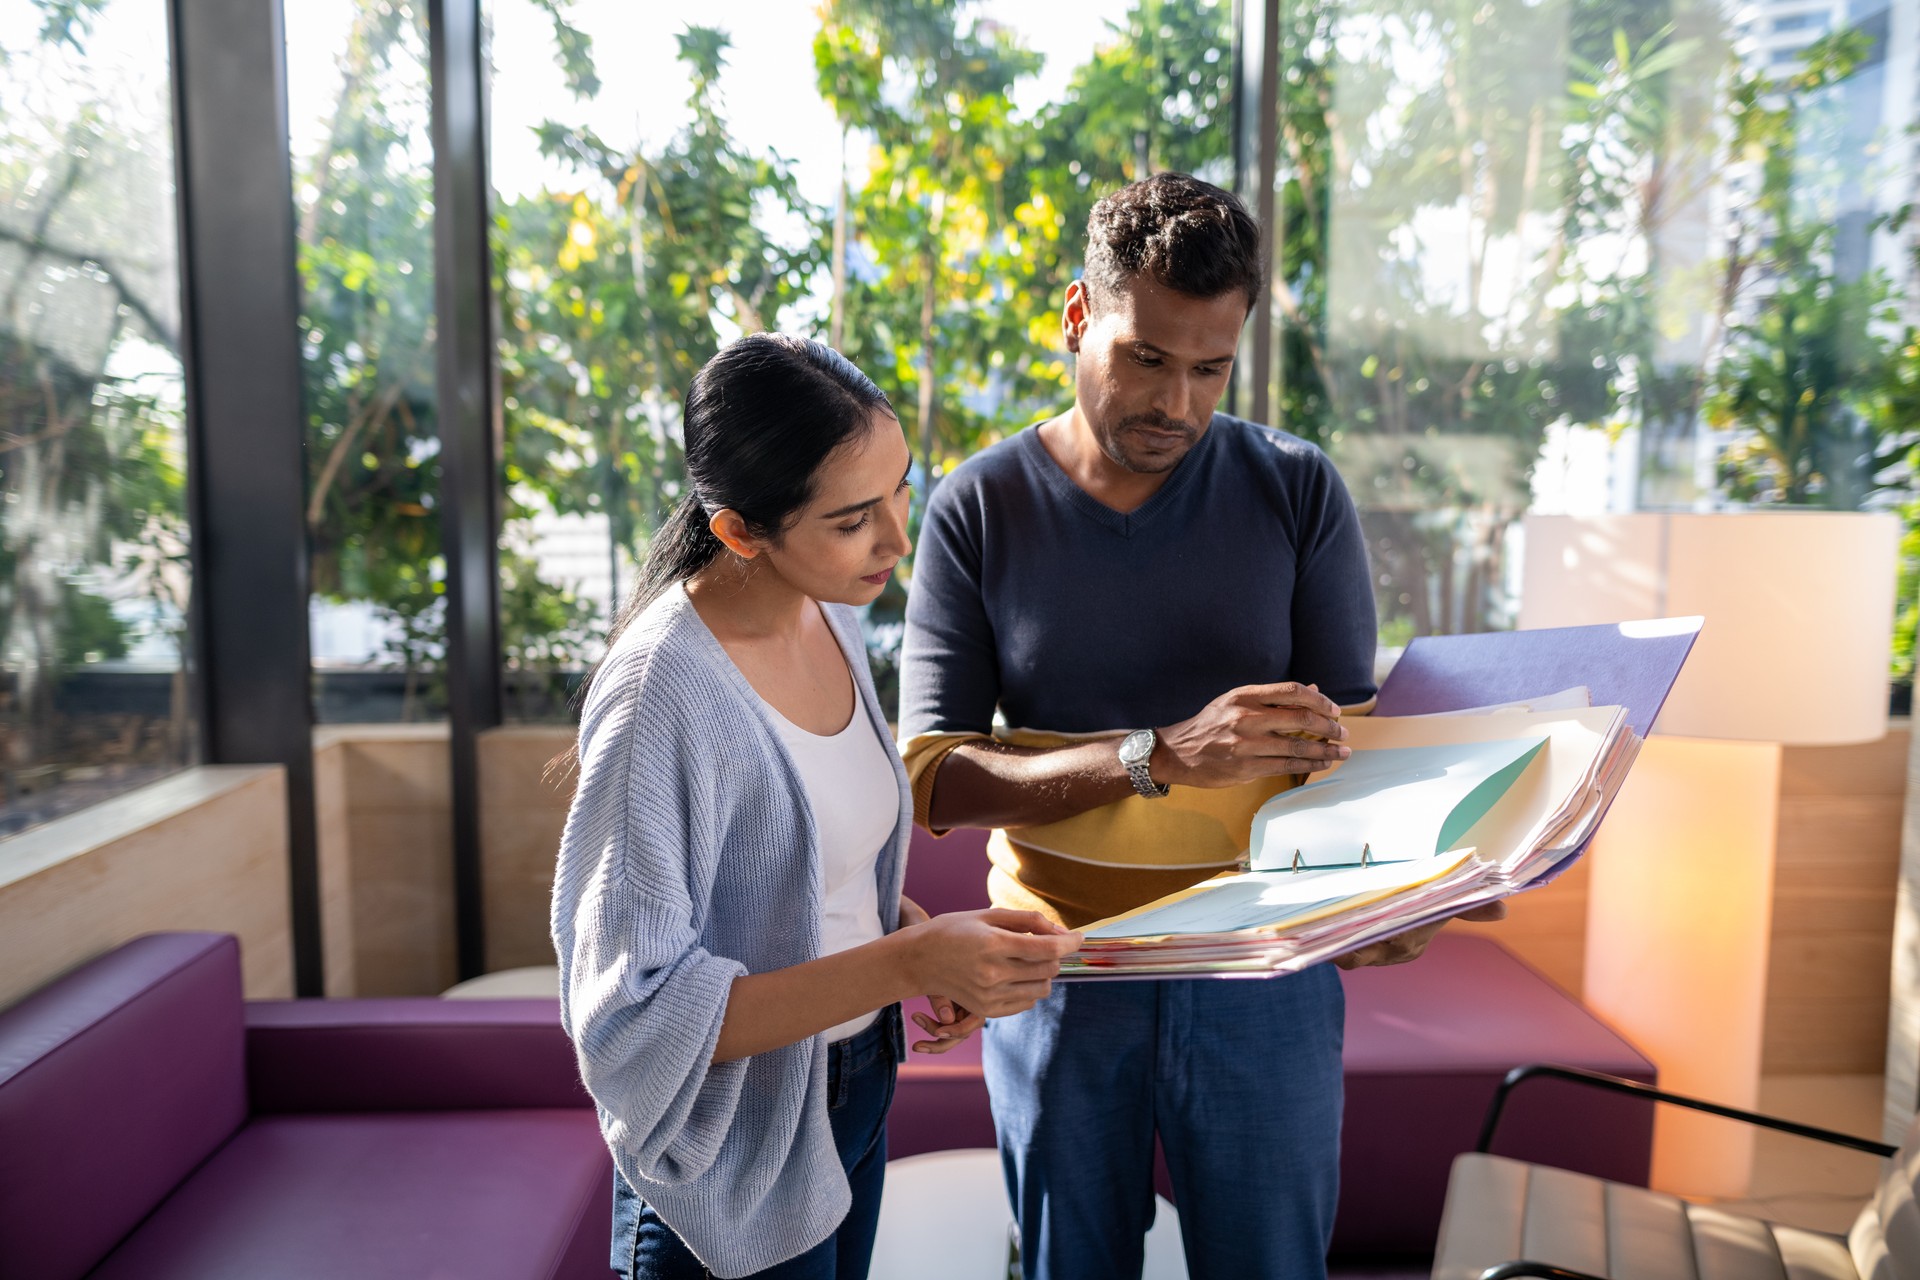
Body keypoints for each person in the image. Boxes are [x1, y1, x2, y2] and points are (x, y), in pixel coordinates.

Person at [898, 173, 1505, 1280]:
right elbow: (936, 778)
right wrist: (1158, 755)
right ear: (1080, 318)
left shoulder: (1296, 488)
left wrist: (1418, 892)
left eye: (1209, 368)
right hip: (1060, 968)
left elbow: (1353, 752)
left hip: (1265, 971)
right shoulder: (977, 505)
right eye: (1145, 357)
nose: (1176, 404)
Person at [552, 333, 1083, 1280]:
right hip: (729, 1148)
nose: (896, 539)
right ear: (740, 531)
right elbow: (632, 1021)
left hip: (853, 1088)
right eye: (851, 520)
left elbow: (812, 877)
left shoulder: (830, 611)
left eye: (901, 490)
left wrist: (919, 939)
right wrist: (907, 958)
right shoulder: (660, 697)